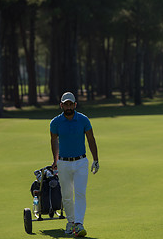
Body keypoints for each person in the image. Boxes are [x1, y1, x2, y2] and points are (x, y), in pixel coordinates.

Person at [50, 92, 99, 237]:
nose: (69, 107)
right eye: (66, 104)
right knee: (66, 196)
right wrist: (55, 159)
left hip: (81, 162)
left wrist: (96, 159)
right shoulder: (55, 122)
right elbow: (54, 140)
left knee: (80, 193)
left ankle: (78, 224)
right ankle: (71, 221)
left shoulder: (83, 120)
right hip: (63, 163)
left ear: (75, 105)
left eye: (71, 104)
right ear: (61, 105)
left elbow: (91, 139)